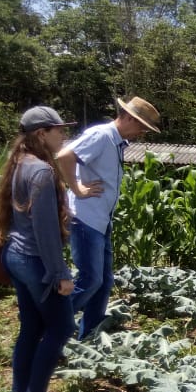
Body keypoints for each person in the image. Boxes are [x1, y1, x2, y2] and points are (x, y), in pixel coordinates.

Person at [0, 107, 76, 392]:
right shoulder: (41, 171)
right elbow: (45, 231)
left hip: (15, 255)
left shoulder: (20, 162)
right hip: (34, 260)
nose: (63, 134)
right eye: (59, 130)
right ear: (42, 134)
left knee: (32, 326)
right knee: (62, 327)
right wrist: (60, 274)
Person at [57, 96, 160, 338]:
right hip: (86, 219)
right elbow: (64, 156)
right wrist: (77, 188)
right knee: (91, 280)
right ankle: (50, 323)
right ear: (128, 118)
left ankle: (90, 332)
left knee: (103, 281)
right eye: (142, 127)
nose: (142, 133)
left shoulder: (116, 142)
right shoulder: (102, 135)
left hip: (101, 221)